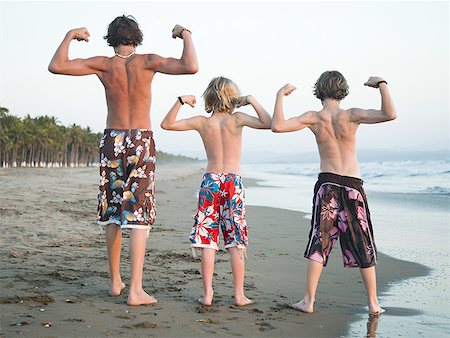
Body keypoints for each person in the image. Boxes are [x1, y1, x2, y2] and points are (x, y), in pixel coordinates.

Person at [48, 15, 198, 306]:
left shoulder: (104, 64)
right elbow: (191, 65)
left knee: (113, 210)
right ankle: (136, 289)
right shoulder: (148, 61)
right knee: (139, 211)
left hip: (112, 139)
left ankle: (116, 281)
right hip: (140, 139)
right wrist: (184, 33)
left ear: (111, 38)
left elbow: (57, 66)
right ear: (136, 38)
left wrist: (70, 35)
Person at [272, 71, 396, 315]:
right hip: (352, 185)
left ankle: (309, 301)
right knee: (363, 243)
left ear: (319, 90)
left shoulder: (315, 118)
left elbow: (277, 126)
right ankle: (373, 303)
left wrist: (279, 96)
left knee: (320, 241)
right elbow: (390, 114)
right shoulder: (351, 115)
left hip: (328, 184)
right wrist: (381, 84)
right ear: (342, 89)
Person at [160, 76, 271, 306]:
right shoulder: (238, 119)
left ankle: (208, 293)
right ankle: (239, 295)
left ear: (209, 98)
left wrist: (180, 101)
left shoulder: (203, 122)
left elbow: (166, 124)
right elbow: (268, 122)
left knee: (208, 238)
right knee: (236, 238)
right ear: (233, 99)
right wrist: (250, 100)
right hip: (232, 182)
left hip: (210, 182)